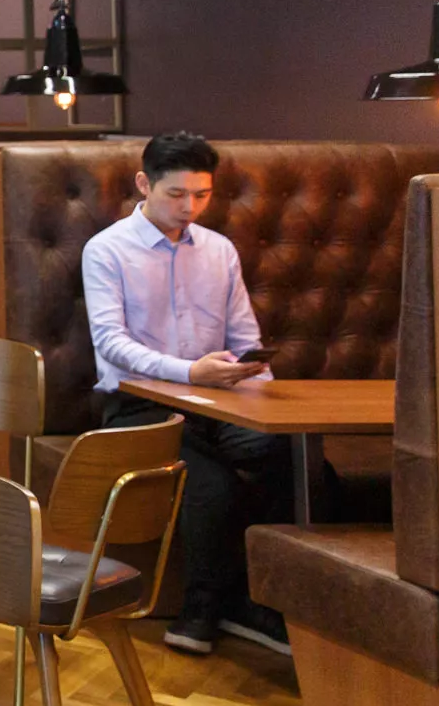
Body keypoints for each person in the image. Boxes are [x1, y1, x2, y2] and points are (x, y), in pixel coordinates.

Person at [81, 131, 291, 657]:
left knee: (291, 456)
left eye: (201, 195)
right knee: (212, 485)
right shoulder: (106, 250)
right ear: (143, 184)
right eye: (176, 194)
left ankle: (282, 601)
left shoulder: (218, 250)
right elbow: (111, 343)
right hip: (139, 405)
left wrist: (255, 391)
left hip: (218, 402)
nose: (189, 207)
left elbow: (245, 340)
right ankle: (204, 610)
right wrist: (188, 373)